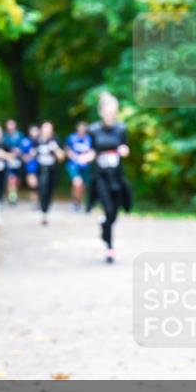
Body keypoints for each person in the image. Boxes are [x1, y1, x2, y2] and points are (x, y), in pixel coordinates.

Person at [86, 91, 132, 264]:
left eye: (113, 111)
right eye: (107, 110)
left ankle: (104, 227)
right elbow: (92, 150)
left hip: (116, 176)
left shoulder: (121, 129)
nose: (110, 114)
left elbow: (124, 146)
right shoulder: (93, 130)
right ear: (101, 111)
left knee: (114, 213)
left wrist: (124, 150)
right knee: (108, 209)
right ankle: (110, 248)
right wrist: (88, 156)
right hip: (100, 176)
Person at [34, 121, 66, 225]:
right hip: (39, 170)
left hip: (52, 171)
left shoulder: (55, 141)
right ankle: (43, 212)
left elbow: (61, 157)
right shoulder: (36, 141)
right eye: (45, 128)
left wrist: (55, 148)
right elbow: (28, 157)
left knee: (49, 191)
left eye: (49, 128)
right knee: (41, 189)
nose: (46, 130)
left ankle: (46, 212)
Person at [65, 121, 93, 211]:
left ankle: (79, 202)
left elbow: (92, 151)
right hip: (74, 165)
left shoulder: (89, 139)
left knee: (83, 186)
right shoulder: (71, 138)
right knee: (77, 183)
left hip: (85, 166)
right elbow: (67, 149)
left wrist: (86, 158)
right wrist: (75, 157)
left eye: (83, 129)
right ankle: (75, 202)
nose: (82, 130)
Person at [3, 119, 24, 205]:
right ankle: (12, 197)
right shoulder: (4, 136)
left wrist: (19, 151)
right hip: (8, 160)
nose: (10, 127)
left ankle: (14, 194)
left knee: (17, 180)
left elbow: (24, 146)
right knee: (11, 179)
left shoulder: (20, 135)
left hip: (18, 160)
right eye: (9, 125)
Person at [21, 124, 40, 206]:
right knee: (33, 185)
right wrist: (29, 156)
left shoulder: (41, 141)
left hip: (41, 165)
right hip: (31, 166)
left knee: (40, 184)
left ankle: (39, 201)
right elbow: (22, 154)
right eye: (33, 130)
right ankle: (34, 201)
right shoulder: (26, 141)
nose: (35, 132)